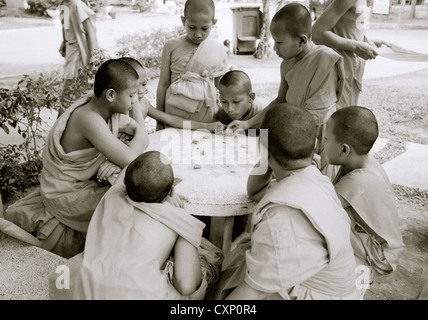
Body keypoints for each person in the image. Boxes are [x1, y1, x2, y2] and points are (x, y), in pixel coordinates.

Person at [207, 104, 361, 300]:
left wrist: (267, 154)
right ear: (314, 144)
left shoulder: (281, 220)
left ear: (264, 152)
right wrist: (268, 157)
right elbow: (255, 192)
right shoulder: (314, 177)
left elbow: (250, 294)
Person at [4, 59, 149, 259]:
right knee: (128, 203)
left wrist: (122, 154)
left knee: (135, 191)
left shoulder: (105, 109)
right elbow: (133, 158)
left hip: (86, 183)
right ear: (111, 95)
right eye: (132, 96)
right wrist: (123, 154)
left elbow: (141, 136)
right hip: (66, 193)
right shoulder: (88, 118)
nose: (135, 102)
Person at [50, 151, 222, 299]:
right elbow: (186, 285)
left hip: (76, 282)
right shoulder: (178, 218)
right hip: (133, 294)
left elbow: (128, 170)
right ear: (171, 191)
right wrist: (181, 217)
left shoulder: (114, 195)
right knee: (209, 261)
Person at [226, 3, 345, 174]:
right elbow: (281, 100)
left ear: (302, 40)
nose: (275, 48)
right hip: (293, 132)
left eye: (280, 42)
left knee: (315, 182)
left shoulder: (324, 60)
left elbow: (319, 112)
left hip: (318, 137)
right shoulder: (286, 65)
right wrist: (248, 123)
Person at [324, 106, 404, 287]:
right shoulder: (363, 162)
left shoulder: (359, 180)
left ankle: (356, 275)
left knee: (321, 225)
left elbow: (319, 208)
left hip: (381, 256)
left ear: (344, 150)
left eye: (326, 139)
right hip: (381, 245)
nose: (322, 143)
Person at [156, 0, 229, 131]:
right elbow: (163, 84)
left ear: (214, 23)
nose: (198, 34)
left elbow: (221, 90)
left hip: (207, 116)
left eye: (205, 28)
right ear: (183, 21)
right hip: (175, 114)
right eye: (192, 27)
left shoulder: (219, 50)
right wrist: (160, 121)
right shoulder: (171, 46)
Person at [312, 0, 386, 109]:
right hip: (340, 70)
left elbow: (345, 29)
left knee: (348, 113)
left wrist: (367, 41)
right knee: (340, 117)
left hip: (352, 69)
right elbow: (317, 33)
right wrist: (356, 46)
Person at [120, 57, 226, 133]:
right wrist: (136, 108)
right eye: (136, 86)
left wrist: (205, 126)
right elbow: (141, 135)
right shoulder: (119, 108)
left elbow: (172, 120)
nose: (141, 91)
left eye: (144, 84)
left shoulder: (144, 103)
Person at [58, 0, 99, 114]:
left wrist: (92, 57)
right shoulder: (63, 5)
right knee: (75, 94)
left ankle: (60, 130)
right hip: (71, 53)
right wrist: (64, 42)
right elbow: (66, 27)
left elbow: (90, 32)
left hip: (79, 54)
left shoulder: (76, 4)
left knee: (68, 95)